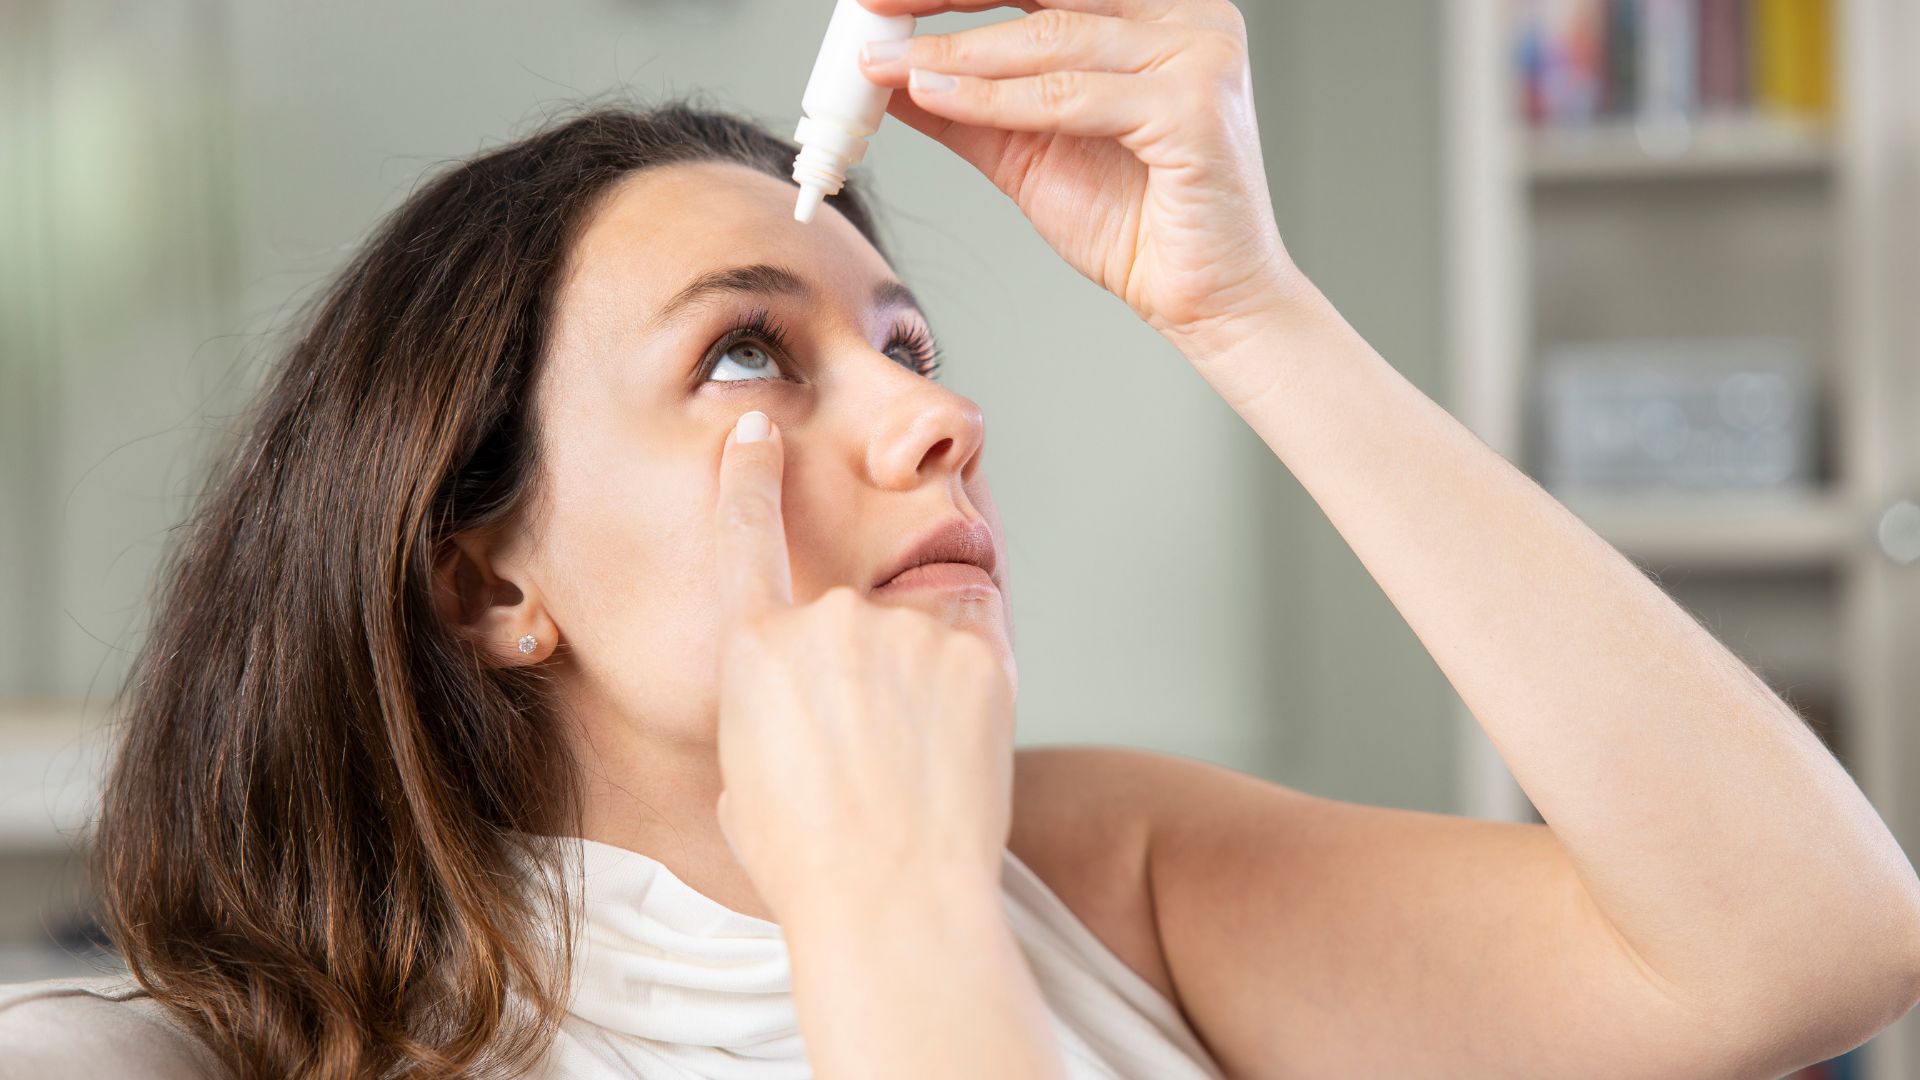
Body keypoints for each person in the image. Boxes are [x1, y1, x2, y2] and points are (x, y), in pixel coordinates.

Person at [5, 0, 1920, 1077]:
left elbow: (1810, 947)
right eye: (750, 350)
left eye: (909, 340)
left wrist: (1247, 308)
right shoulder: (188, 1066)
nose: (940, 417)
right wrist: (875, 911)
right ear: (483, 573)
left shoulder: (1098, 869)